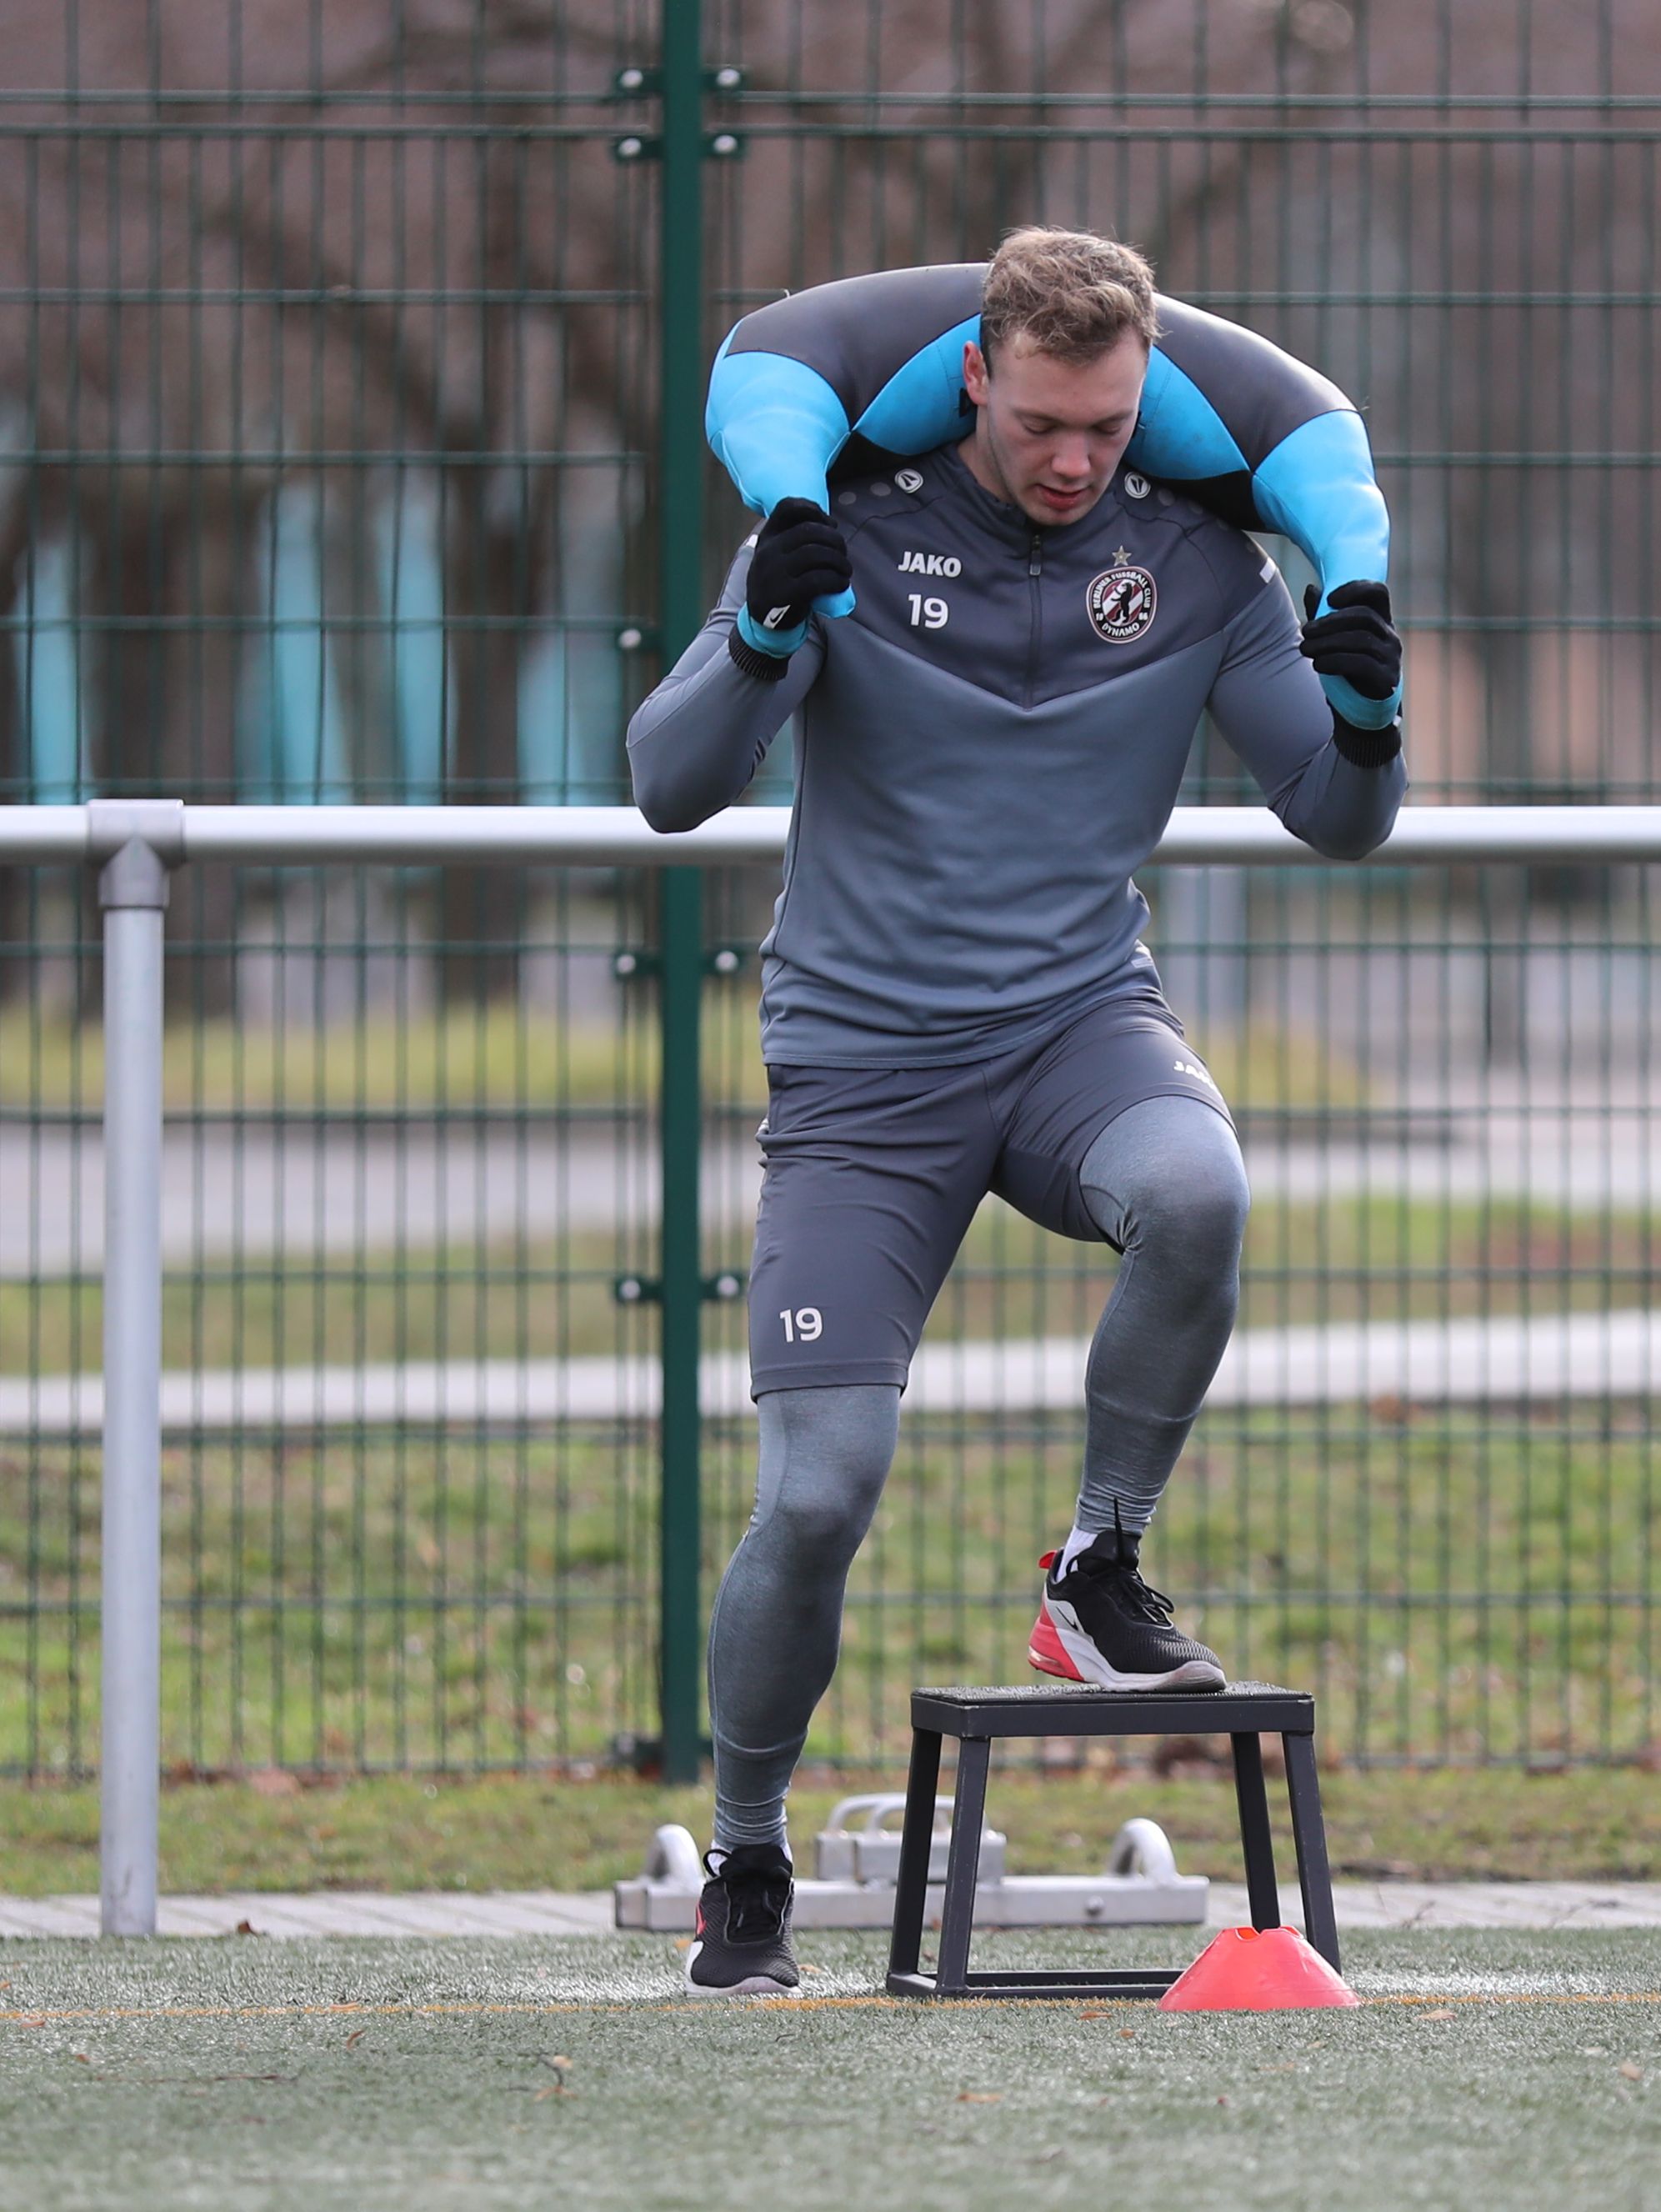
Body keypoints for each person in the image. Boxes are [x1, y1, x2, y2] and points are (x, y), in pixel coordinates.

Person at [628, 226, 1405, 1996]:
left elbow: (1336, 815)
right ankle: (744, 1854)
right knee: (821, 1491)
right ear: (976, 377)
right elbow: (667, 787)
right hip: (863, 1075)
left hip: (1075, 1030)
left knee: (1198, 1186)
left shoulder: (1202, 564)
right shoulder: (848, 523)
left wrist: (1371, 711)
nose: (1075, 460)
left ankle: (1096, 1562)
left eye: (1110, 427)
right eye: (1046, 419)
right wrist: (762, 622)